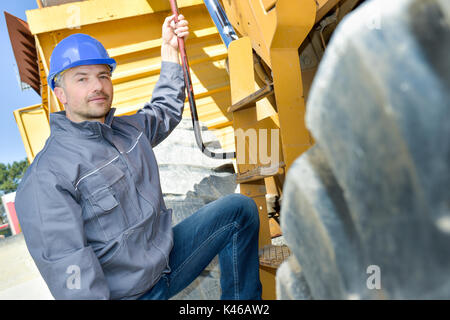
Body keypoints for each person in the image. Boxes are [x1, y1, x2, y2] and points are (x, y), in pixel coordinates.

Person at [15, 14, 262, 300]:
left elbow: (165, 108)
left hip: (168, 263)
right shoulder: (47, 176)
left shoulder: (129, 130)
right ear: (61, 94)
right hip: (131, 294)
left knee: (238, 211)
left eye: (103, 76)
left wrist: (169, 50)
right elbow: (71, 274)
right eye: (81, 79)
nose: (97, 86)